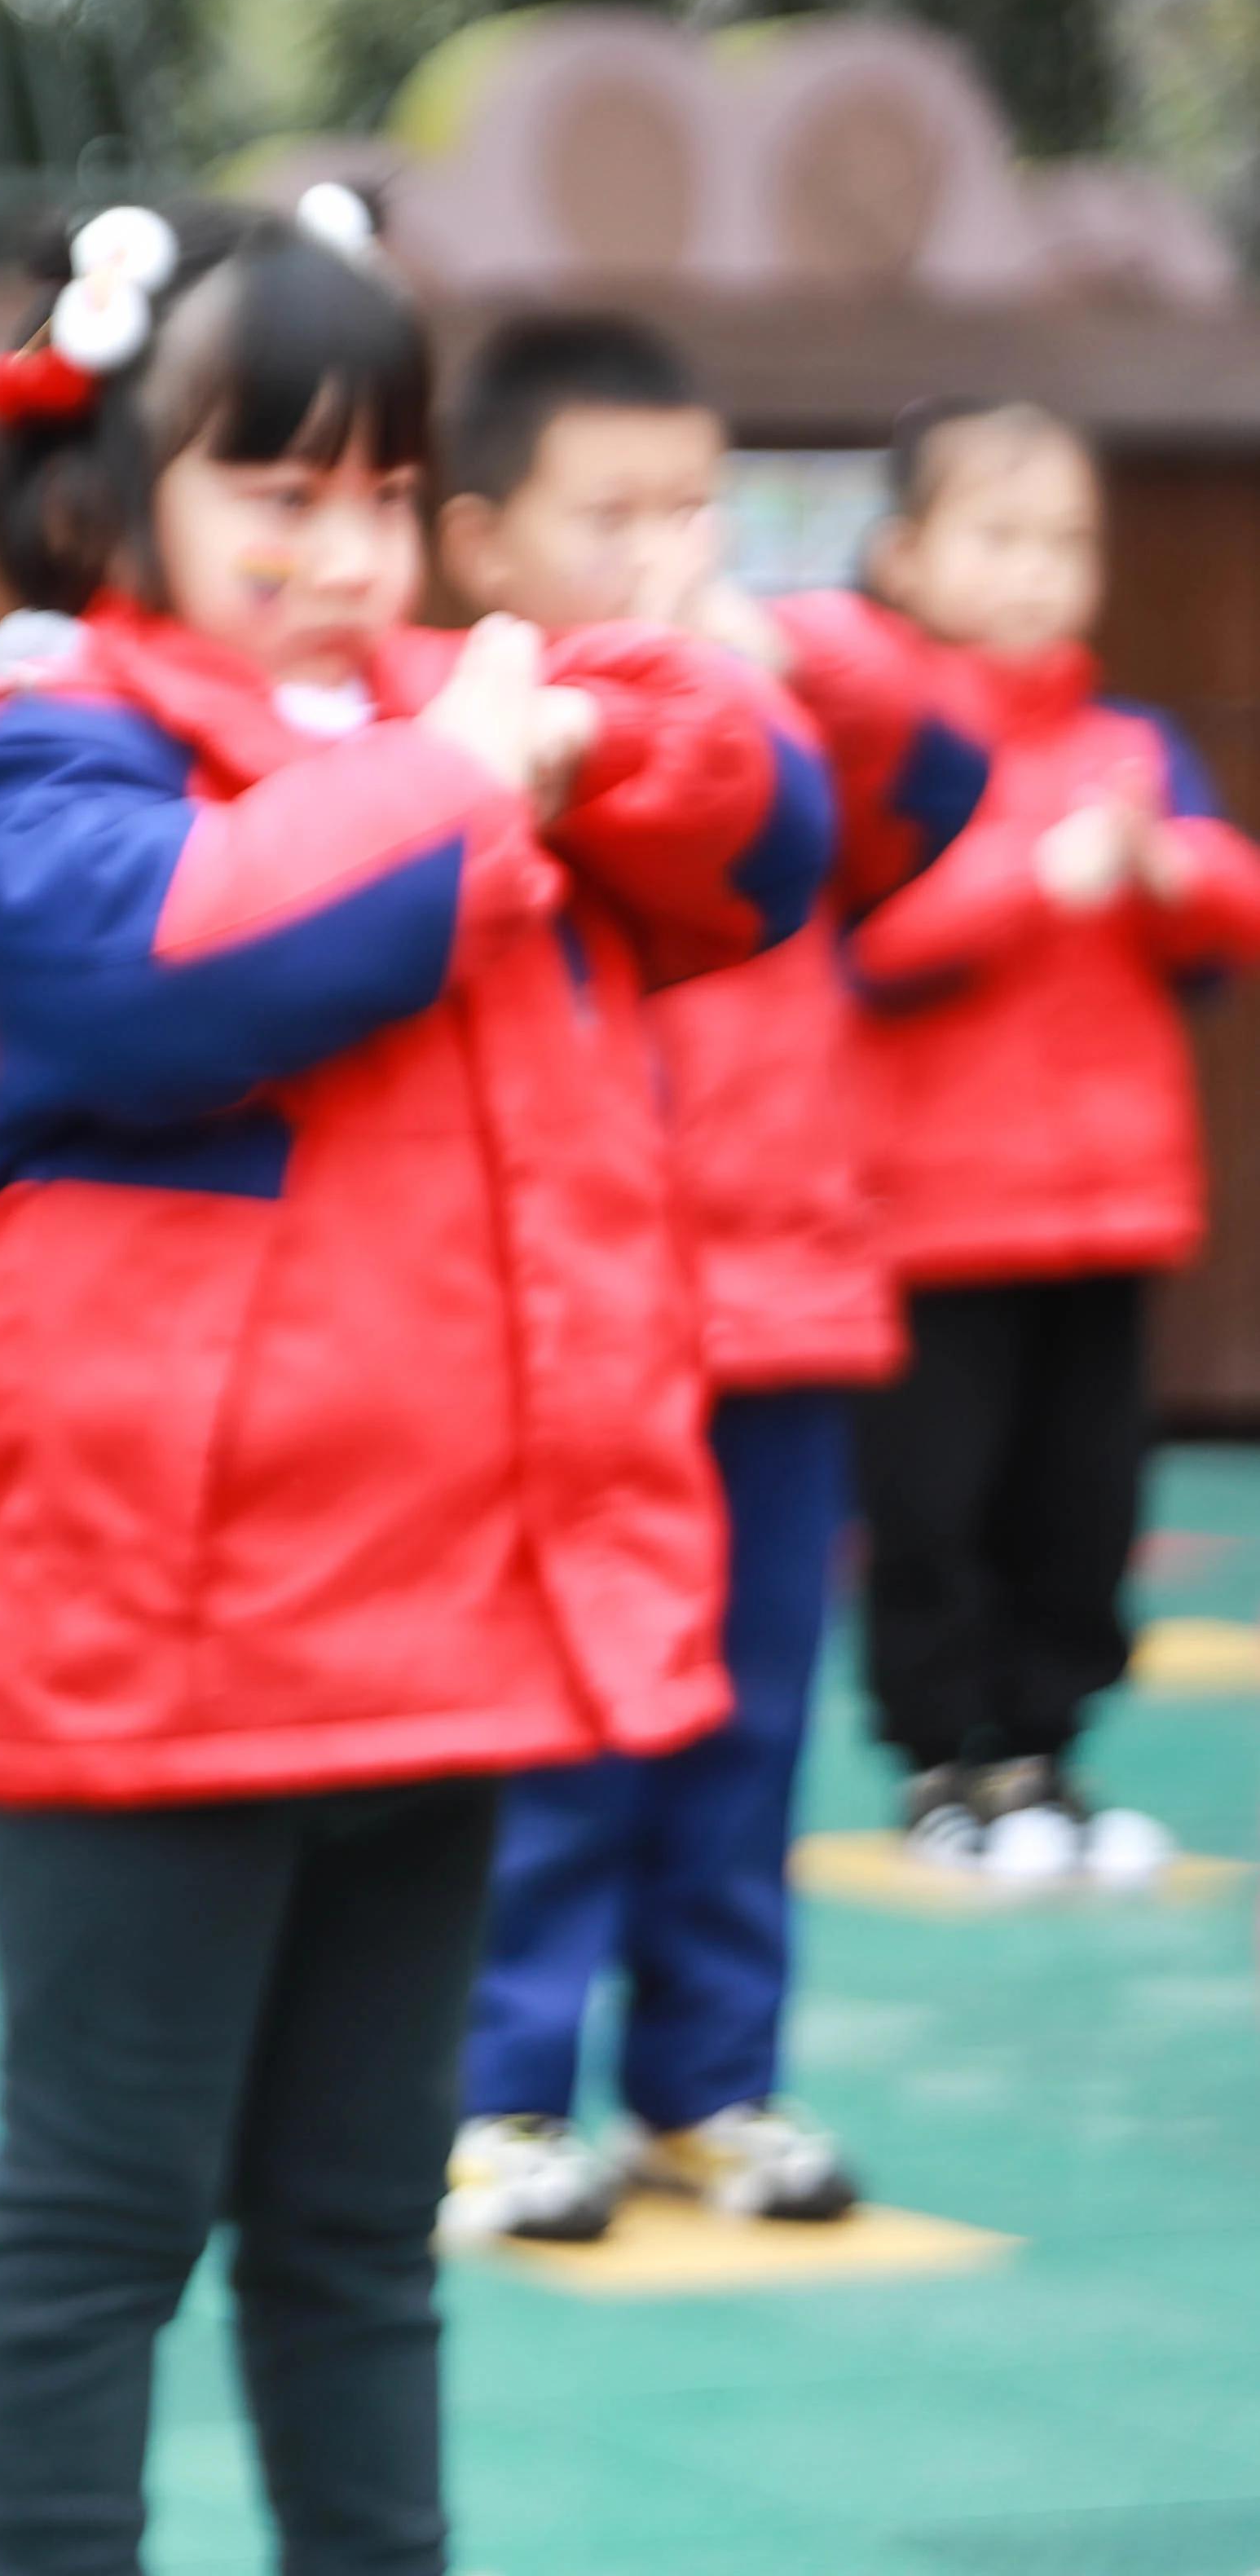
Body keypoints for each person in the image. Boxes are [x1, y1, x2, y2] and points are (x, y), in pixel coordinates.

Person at [0, 192, 806, 2576]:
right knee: (103, 2215)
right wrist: (492, 773)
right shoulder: (49, 740)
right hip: (165, 1633)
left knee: (353, 2232)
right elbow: (169, 964)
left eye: (381, 492)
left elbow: (771, 833)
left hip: (434, 1630)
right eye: (274, 488)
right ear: (117, 494)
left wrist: (616, 695)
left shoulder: (471, 713)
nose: (341, 548)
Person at [428, 317, 986, 2247]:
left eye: (699, 509)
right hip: (582, 1317)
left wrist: (773, 656)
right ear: (485, 544)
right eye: (615, 519)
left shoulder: (787, 705)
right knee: (569, 1721)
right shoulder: (497, 730)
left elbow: (942, 776)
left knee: (751, 1722)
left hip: (789, 1299)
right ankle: (499, 2090)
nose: (669, 554)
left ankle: (711, 2080)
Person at [837, 395, 1260, 1878]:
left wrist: (1158, 864)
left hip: (1109, 1208)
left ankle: (1039, 1763)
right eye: (996, 535)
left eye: (1063, 541)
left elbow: (1229, 918)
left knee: (1079, 1512)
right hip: (932, 1223)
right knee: (930, 1508)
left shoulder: (1133, 747)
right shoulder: (888, 756)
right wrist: (1026, 876)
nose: (1033, 571)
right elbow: (864, 950)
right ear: (902, 555)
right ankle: (934, 1771)